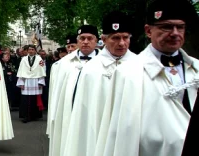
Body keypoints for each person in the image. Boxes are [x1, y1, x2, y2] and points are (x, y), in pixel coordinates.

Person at [99, 0, 199, 155]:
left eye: (180, 27)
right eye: (166, 26)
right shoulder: (128, 73)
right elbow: (121, 134)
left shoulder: (197, 68)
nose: (175, 33)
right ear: (148, 31)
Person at [61, 11, 137, 156]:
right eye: (115, 38)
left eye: (125, 37)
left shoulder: (139, 65)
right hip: (98, 132)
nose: (121, 43)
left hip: (130, 133)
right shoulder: (91, 69)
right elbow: (82, 114)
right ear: (104, 39)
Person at [48, 25, 100, 156]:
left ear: (97, 41)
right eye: (82, 38)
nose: (85, 41)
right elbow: (56, 95)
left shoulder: (105, 64)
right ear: (78, 41)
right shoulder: (63, 64)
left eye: (90, 38)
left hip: (94, 116)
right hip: (68, 114)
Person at [16, 45, 46, 123]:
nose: (31, 51)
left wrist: (41, 81)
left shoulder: (39, 59)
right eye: (29, 49)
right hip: (26, 81)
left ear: (35, 50)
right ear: (27, 50)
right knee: (26, 99)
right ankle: (26, 116)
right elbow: (21, 70)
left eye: (32, 49)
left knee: (35, 99)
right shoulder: (23, 59)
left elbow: (42, 70)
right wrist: (21, 82)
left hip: (36, 81)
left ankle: (35, 116)